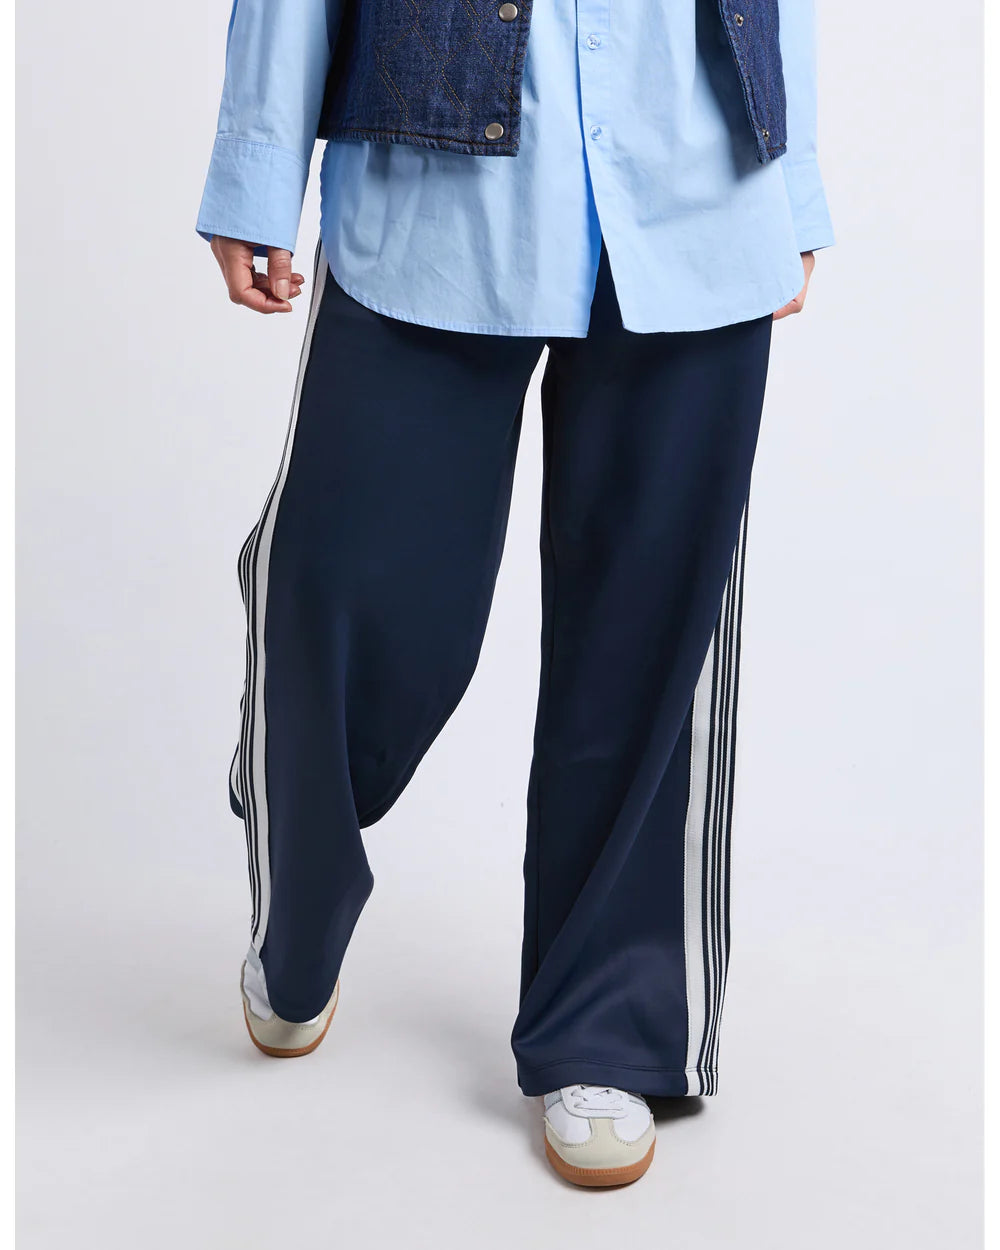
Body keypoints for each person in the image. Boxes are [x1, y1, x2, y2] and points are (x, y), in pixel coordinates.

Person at [197, 0, 833, 1188]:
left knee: (653, 637)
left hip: (693, 180)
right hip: (431, 181)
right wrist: (257, 166)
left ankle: (608, 1026)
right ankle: (300, 857)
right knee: (348, 579)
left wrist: (788, 185)